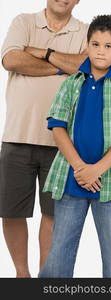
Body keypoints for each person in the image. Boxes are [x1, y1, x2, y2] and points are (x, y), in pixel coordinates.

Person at [38, 14, 111, 278]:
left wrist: (96, 170)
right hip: (71, 179)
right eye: (95, 44)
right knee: (59, 253)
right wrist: (80, 168)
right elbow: (58, 127)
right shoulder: (71, 84)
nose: (100, 51)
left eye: (108, 46)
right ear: (87, 45)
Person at [0, 0, 88, 277]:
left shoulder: (85, 30)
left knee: (54, 214)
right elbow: (11, 60)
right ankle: (22, 275)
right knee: (11, 211)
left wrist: (42, 54)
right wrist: (63, 65)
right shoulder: (23, 22)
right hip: (17, 135)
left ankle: (44, 277)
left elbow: (86, 65)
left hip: (62, 142)